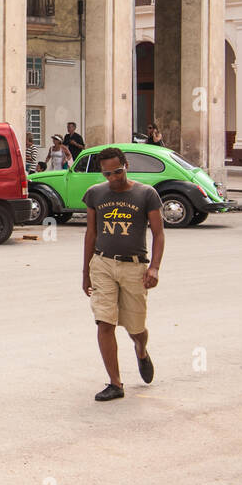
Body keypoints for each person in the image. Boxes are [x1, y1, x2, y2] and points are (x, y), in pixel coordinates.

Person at [82, 147, 164, 402]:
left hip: (134, 267)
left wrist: (154, 267)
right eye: (107, 174)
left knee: (135, 328)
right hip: (103, 264)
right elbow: (91, 233)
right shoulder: (95, 194)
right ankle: (115, 383)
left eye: (118, 171)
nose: (113, 178)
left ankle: (141, 350)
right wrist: (86, 272)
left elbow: (158, 233)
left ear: (126, 165)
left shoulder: (146, 194)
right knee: (104, 322)